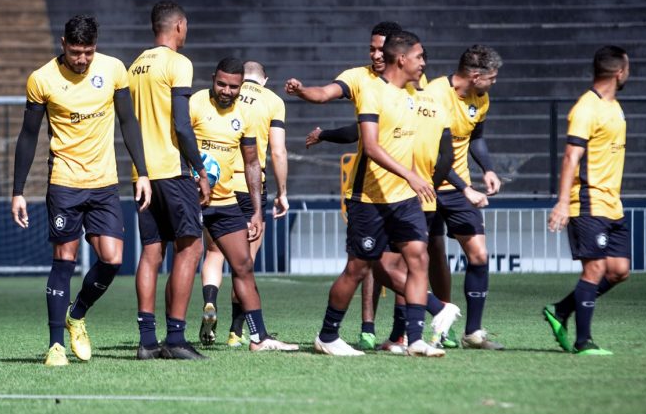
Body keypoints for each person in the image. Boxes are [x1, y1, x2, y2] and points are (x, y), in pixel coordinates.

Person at [11, 15, 151, 366]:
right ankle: (56, 345)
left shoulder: (114, 70)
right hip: (65, 183)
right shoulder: (42, 79)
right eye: (76, 52)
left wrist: (143, 173)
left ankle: (78, 314)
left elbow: (128, 122)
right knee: (64, 260)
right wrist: (17, 191)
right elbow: (28, 135)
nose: (82, 59)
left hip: (104, 183)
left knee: (113, 259)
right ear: (63, 45)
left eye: (88, 51)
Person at [313, 30, 457, 357]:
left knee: (418, 259)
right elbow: (373, 147)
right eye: (419, 57)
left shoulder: (415, 97)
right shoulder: (372, 91)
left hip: (405, 199)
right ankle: (328, 335)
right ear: (402, 58)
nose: (424, 63)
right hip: (369, 199)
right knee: (358, 269)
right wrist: (411, 175)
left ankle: (415, 338)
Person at [286, 21, 406, 350]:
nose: (376, 54)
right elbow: (325, 95)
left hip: (407, 192)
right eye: (372, 48)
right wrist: (302, 91)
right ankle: (334, 333)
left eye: (382, 49)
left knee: (406, 260)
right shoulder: (358, 78)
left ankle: (402, 335)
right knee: (361, 266)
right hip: (368, 192)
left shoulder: (411, 85)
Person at [191, 57, 298, 352]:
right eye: (221, 84)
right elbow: (276, 151)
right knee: (226, 263)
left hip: (223, 193)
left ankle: (244, 327)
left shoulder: (242, 110)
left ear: (242, 83)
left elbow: (251, 159)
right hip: (212, 194)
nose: (226, 90)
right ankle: (226, 332)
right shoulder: (198, 102)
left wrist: (256, 211)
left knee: (228, 260)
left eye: (232, 85)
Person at [128, 0, 211, 361]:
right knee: (190, 248)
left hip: (142, 174)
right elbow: (181, 124)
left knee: (150, 252)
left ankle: (147, 341)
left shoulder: (135, 67)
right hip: (173, 171)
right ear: (179, 26)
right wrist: (200, 170)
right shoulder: (178, 63)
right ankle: (176, 338)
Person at [544, 46, 630, 356]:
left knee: (619, 270)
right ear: (619, 71)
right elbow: (571, 156)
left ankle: (561, 309)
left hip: (612, 204)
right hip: (589, 201)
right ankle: (583, 342)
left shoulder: (613, 107)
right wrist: (563, 202)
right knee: (594, 269)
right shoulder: (586, 108)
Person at [426, 45, 505, 349]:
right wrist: (465, 188)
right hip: (429, 186)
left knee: (479, 255)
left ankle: (473, 332)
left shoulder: (480, 98)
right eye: (491, 78)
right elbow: (433, 153)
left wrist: (488, 169)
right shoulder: (433, 95)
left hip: (460, 191)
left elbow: (477, 138)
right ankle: (437, 324)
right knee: (431, 259)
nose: (493, 83)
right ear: (475, 76)